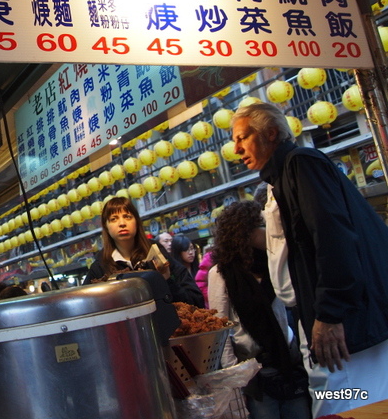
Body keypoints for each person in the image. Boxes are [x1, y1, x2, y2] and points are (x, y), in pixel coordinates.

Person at [232, 102, 388, 416]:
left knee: (344, 404)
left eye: (241, 138)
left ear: (271, 133)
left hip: (346, 328)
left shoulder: (301, 163)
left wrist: (330, 314)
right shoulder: (280, 178)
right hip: (329, 322)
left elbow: (333, 237)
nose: (236, 150)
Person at [208, 201, 310, 419]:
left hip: (288, 361)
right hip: (253, 371)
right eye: (263, 226)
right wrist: (236, 378)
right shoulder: (221, 273)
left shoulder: (276, 264)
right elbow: (221, 328)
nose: (269, 232)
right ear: (246, 232)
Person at [82, 196, 204, 307]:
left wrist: (167, 279)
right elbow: (87, 306)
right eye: (114, 219)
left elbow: (196, 301)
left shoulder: (159, 255)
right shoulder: (100, 267)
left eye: (127, 217)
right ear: (106, 226)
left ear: (137, 222)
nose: (122, 223)